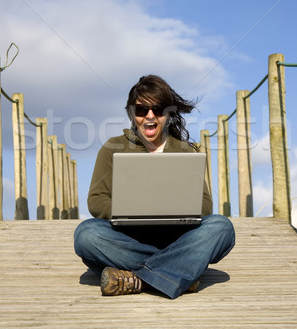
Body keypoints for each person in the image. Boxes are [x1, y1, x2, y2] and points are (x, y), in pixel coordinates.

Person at [73, 74, 236, 299]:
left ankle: (137, 279)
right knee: (86, 234)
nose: (149, 116)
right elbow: (96, 198)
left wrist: (177, 211)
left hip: (177, 237)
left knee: (222, 227)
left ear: (168, 114)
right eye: (141, 110)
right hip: (128, 239)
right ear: (132, 113)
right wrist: (125, 212)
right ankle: (179, 271)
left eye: (157, 109)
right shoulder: (113, 148)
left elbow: (206, 204)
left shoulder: (185, 151)